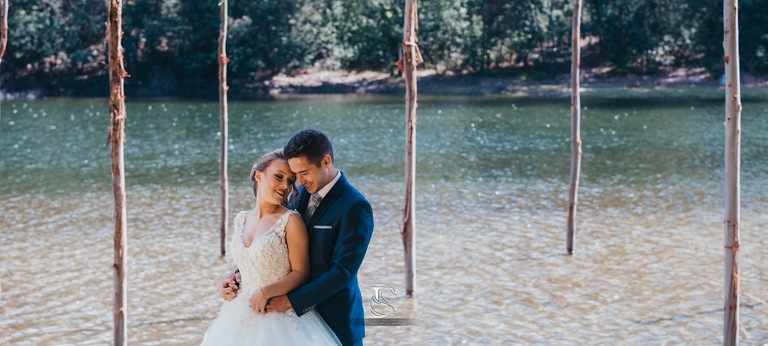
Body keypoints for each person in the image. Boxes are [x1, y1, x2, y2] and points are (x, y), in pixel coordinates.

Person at [219, 129, 375, 346]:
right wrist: (237, 275)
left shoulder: (355, 206)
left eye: (303, 173)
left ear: (326, 161)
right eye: (295, 175)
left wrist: (291, 301)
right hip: (284, 322)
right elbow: (274, 244)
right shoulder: (300, 193)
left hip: (333, 318)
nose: (298, 183)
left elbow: (343, 272)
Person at [201, 149, 341, 345]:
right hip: (237, 313)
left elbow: (301, 272)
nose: (285, 186)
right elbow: (247, 262)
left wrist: (266, 292)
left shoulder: (290, 221)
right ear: (259, 175)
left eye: (291, 181)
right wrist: (226, 281)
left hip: (276, 314)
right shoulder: (242, 219)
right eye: (278, 177)